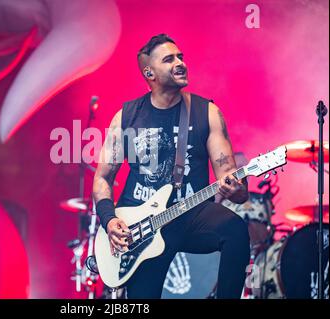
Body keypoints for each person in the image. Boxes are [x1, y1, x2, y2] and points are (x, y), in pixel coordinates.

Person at [93, 34, 250, 299]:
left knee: (234, 230)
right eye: (169, 59)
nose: (180, 63)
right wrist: (109, 221)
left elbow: (231, 178)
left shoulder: (206, 112)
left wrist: (237, 189)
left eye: (181, 57)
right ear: (150, 72)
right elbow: (102, 178)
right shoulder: (127, 116)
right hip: (140, 227)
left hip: (190, 215)